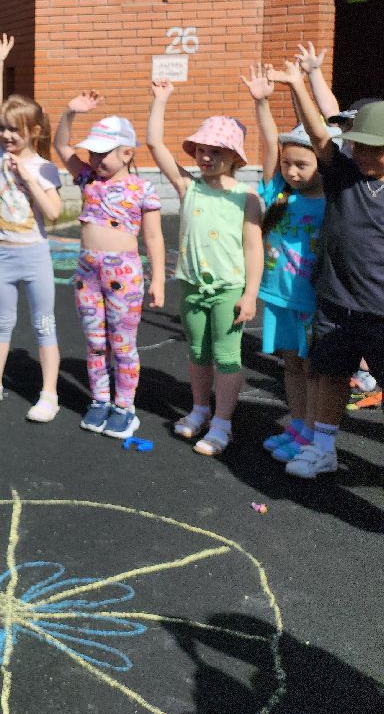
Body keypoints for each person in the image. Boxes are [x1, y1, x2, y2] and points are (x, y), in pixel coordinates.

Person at [270, 63, 384, 478]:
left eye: (376, 148)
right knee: (328, 375)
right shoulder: (342, 175)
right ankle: (322, 449)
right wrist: (298, 84)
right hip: (336, 303)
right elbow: (320, 134)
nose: (365, 154)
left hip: (379, 311)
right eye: (360, 146)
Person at [146, 80, 263, 457]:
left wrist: (250, 294)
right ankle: (199, 409)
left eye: (216, 151)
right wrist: (160, 100)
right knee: (197, 352)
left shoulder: (247, 198)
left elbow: (254, 249)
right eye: (201, 150)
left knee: (227, 357)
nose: (206, 157)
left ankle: (223, 424)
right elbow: (154, 145)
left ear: (234, 157)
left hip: (228, 289)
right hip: (192, 285)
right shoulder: (189, 187)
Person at [54, 95, 165, 439]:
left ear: (127, 153)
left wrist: (158, 279)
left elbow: (155, 238)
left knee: (122, 343)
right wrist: (70, 112)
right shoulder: (88, 179)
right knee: (95, 341)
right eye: (93, 153)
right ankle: (100, 399)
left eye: (104, 153)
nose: (96, 159)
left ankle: (124, 407)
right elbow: (60, 145)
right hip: (87, 274)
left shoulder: (141, 188)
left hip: (124, 274)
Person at [0, 35, 66, 421]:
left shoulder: (43, 168)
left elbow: (55, 213)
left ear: (35, 133)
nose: (7, 135)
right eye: (5, 129)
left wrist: (27, 177)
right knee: (0, 322)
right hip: (4, 253)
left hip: (34, 255)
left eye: (17, 130)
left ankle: (48, 395)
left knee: (44, 325)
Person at [242, 63, 329, 466]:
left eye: (302, 165)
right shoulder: (279, 192)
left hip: (312, 300)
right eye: (288, 163)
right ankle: (297, 424)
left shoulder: (330, 198)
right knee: (292, 365)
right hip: (280, 295)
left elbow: (324, 130)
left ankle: (312, 428)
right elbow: (267, 143)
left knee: (313, 368)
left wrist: (301, 85)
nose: (292, 171)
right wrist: (261, 103)